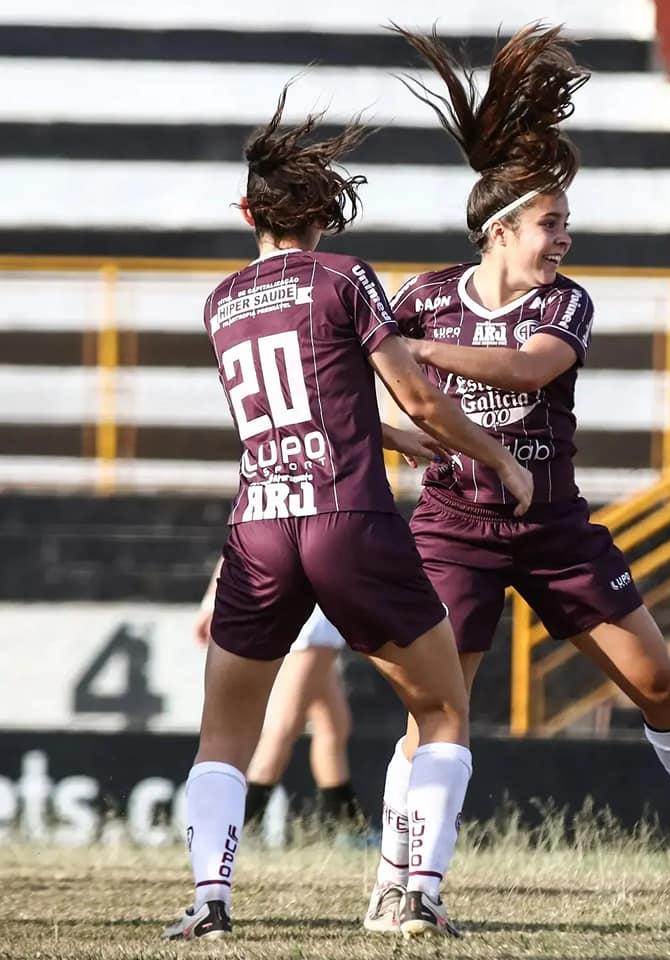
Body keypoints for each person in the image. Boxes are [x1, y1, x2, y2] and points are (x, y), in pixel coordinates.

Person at [362, 24, 670, 932]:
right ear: (501, 229)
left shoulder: (562, 302)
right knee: (439, 711)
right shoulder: (426, 291)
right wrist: (398, 425)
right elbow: (359, 382)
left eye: (565, 224)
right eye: (551, 224)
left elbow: (525, 369)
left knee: (661, 686)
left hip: (553, 529)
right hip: (453, 530)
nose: (564, 238)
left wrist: (403, 350)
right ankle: (404, 885)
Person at [163, 83, 533, 942]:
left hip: (258, 529)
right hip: (347, 520)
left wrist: (387, 436)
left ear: (247, 210)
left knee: (224, 734)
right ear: (324, 212)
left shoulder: (220, 303)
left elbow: (304, 401)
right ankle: (416, 897)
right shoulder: (343, 275)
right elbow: (420, 392)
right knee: (442, 710)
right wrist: (497, 456)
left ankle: (210, 901)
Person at [193, 429, 448, 837]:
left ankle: (347, 827)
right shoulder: (322, 459)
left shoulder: (279, 453)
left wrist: (210, 600)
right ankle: (238, 832)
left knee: (333, 725)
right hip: (312, 610)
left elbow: (248, 531)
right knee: (283, 727)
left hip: (309, 592)